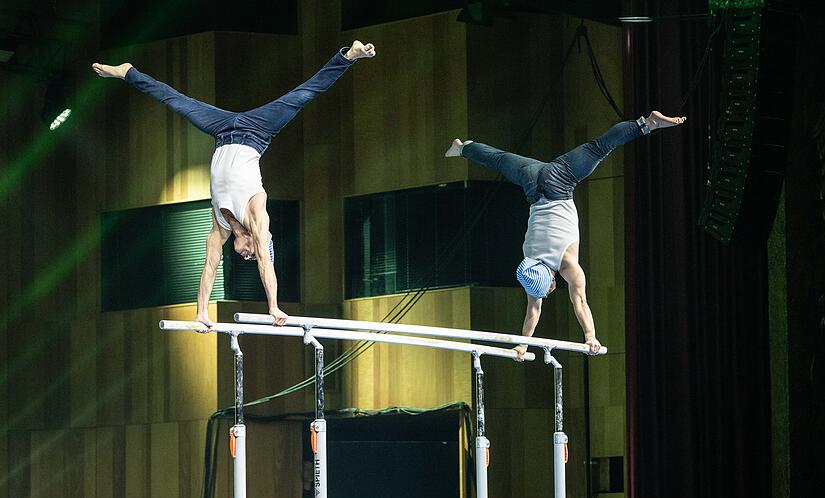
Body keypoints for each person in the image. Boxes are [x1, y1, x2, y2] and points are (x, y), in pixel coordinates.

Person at [93, 41, 376, 331]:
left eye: (247, 256)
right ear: (258, 240)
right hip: (257, 131)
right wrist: (273, 307)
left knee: (176, 101)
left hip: (223, 130)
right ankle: (349, 56)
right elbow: (266, 264)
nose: (247, 255)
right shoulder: (257, 216)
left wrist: (201, 312)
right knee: (302, 95)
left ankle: (128, 73)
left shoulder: (220, 229)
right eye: (252, 252)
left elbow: (209, 268)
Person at [444, 111, 685, 357]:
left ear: (549, 279)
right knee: (500, 160)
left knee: (600, 148)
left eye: (548, 289)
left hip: (559, 182)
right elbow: (533, 311)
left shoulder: (567, 264)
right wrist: (522, 344)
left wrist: (590, 336)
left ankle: (648, 124)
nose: (550, 291)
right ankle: (464, 148)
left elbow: (577, 302)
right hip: (532, 182)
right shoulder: (529, 264)